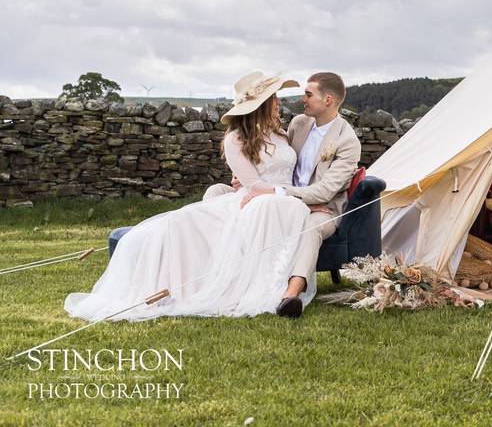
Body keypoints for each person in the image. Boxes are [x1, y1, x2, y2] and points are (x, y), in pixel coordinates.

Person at [64, 72, 315, 322]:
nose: (278, 104)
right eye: (273, 99)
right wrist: (276, 191)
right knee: (184, 222)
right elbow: (254, 185)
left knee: (285, 207)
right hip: (259, 198)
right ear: (259, 105)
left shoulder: (280, 133)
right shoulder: (235, 139)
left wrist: (286, 192)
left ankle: (283, 286)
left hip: (281, 198)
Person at [228, 71, 361, 318]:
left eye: (308, 94)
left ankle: (291, 295)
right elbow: (279, 158)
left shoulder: (347, 141)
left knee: (311, 228)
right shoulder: (299, 123)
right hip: (283, 199)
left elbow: (326, 190)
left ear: (328, 100)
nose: (303, 99)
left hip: (324, 207)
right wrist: (247, 178)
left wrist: (278, 192)